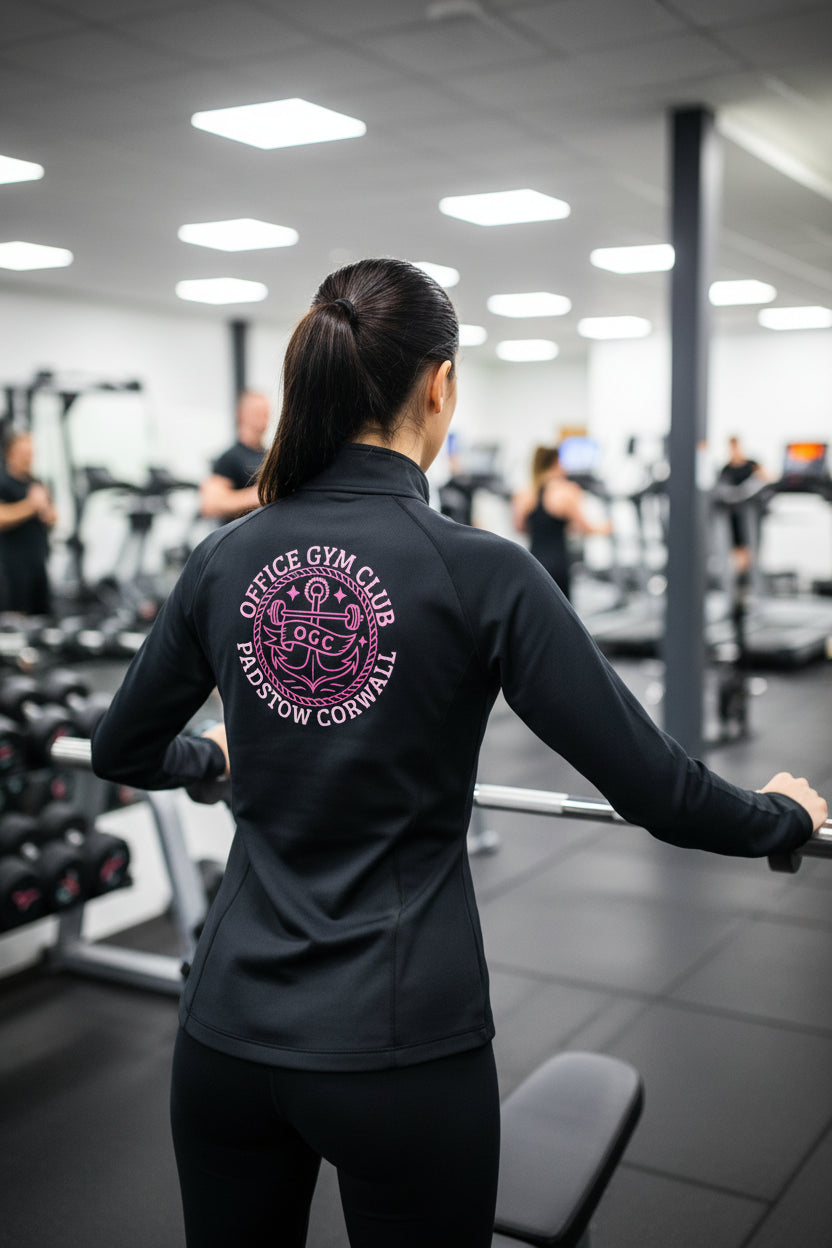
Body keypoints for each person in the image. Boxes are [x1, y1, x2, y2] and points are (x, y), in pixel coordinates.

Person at [89, 259, 826, 1248]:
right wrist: (783, 815)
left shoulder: (225, 556)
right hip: (399, 1050)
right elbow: (659, 789)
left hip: (225, 1037)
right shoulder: (484, 572)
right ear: (438, 385)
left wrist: (209, 760)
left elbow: (122, 747)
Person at [513, 444, 611, 600]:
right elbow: (584, 528)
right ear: (556, 462)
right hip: (558, 562)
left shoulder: (524, 494)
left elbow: (520, 528)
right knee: (562, 607)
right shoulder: (566, 491)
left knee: (540, 606)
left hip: (534, 560)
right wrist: (607, 528)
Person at [0, 428, 57, 616]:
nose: (29, 458)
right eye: (24, 453)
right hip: (11, 567)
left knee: (42, 617)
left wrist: (49, 515)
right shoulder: (3, 482)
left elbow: (53, 519)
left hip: (38, 563)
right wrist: (31, 505)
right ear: (10, 453)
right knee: (14, 620)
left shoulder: (37, 483)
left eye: (31, 453)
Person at [199, 390, 270, 522]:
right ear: (241, 415)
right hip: (243, 531)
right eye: (257, 413)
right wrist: (257, 496)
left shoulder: (271, 457)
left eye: (266, 414)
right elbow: (210, 504)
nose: (263, 419)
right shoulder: (230, 458)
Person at [716, 435, 768, 578]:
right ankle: (740, 579)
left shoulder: (751, 464)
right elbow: (720, 488)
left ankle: (751, 576)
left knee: (752, 547)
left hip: (752, 513)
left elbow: (766, 478)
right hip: (733, 514)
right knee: (737, 548)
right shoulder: (726, 468)